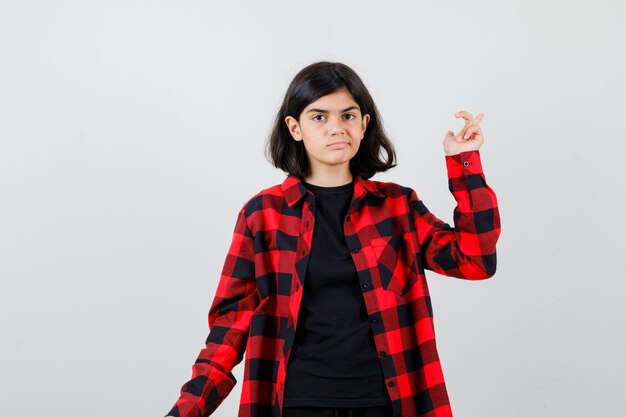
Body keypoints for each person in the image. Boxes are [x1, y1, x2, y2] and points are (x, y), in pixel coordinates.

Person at [164, 61, 501, 417]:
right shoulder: (263, 215)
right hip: (297, 404)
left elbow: (475, 260)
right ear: (295, 128)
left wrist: (463, 162)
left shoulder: (397, 206)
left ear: (364, 124)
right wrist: (186, 411)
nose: (337, 128)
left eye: (348, 116)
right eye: (319, 117)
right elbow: (230, 328)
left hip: (388, 403)